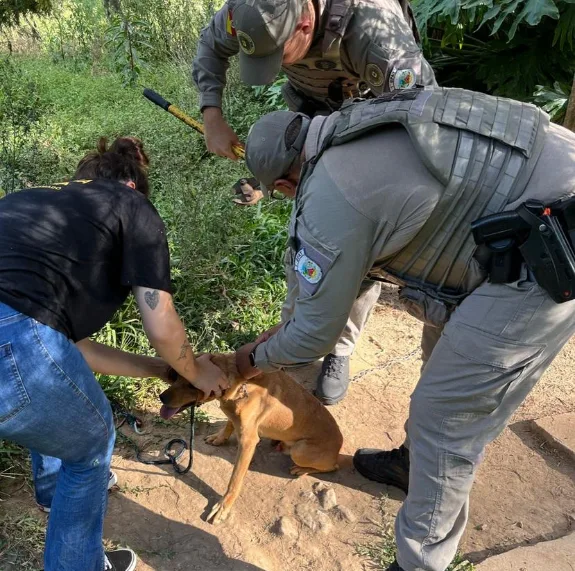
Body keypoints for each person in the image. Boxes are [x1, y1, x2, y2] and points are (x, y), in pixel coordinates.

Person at [233, 87, 575, 571]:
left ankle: (419, 562)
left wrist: (250, 360)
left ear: (286, 185)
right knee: (441, 351)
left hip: (548, 252)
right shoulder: (352, 122)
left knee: (446, 416)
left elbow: (315, 335)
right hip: (542, 193)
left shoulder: (331, 195)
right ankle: (414, 466)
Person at [0, 137, 229, 571]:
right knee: (92, 445)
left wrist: (160, 369)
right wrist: (195, 370)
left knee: (59, 403)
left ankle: (54, 493)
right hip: (16, 341)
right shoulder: (132, 206)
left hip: (19, 342)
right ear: (133, 186)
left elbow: (63, 350)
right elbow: (161, 322)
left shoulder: (29, 200)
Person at [193, 0, 437, 402]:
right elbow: (210, 46)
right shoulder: (251, 10)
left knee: (358, 249)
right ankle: (295, 334)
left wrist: (364, 191)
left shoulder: (375, 28)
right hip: (310, 119)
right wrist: (211, 114)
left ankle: (338, 349)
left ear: (306, 23)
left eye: (279, 54)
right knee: (310, 236)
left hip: (378, 125)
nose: (273, 65)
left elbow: (424, 119)